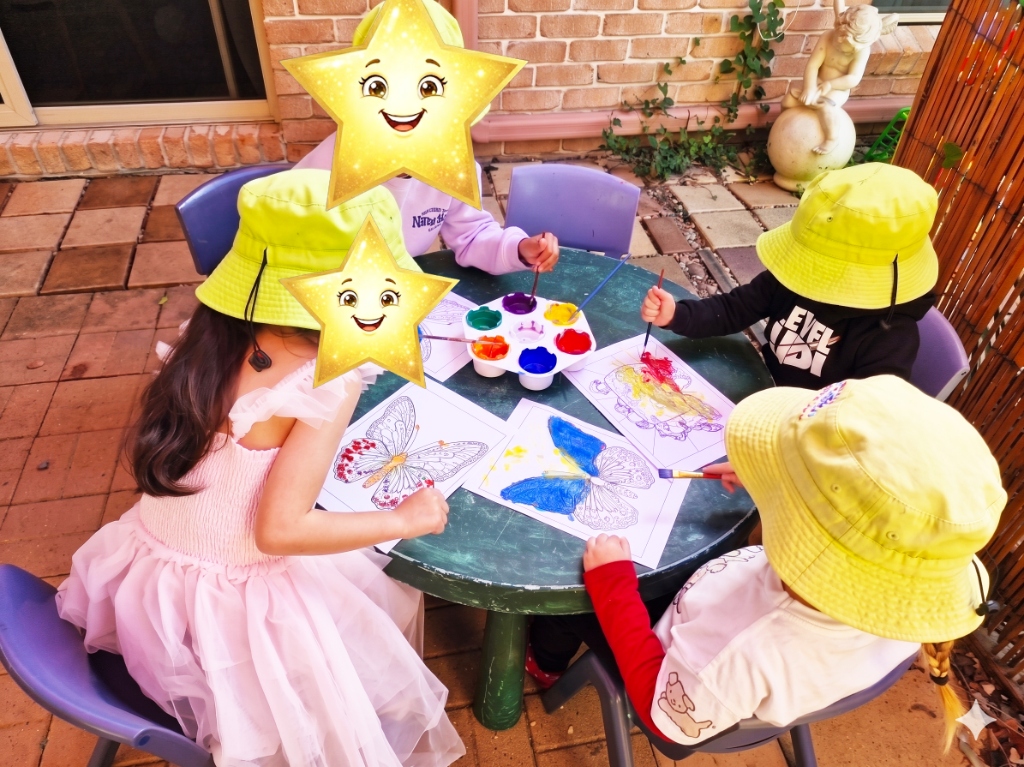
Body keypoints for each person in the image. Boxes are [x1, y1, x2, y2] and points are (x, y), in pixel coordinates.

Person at [56, 168, 465, 767]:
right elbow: (280, 532)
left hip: (151, 587)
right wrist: (405, 518)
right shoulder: (329, 376)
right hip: (233, 617)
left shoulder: (207, 336)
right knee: (365, 609)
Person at [530, 376, 1006, 752]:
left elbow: (667, 722)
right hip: (734, 641)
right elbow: (857, 525)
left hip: (669, 680)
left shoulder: (741, 651)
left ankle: (545, 665)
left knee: (562, 597)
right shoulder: (903, 601)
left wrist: (612, 586)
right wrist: (769, 478)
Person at [294, 0, 559, 276]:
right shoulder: (326, 167)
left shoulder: (451, 164)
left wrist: (519, 249)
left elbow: (472, 234)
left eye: (429, 87)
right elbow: (289, 238)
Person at [640, 163, 938, 389]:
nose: (812, 275)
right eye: (814, 261)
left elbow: (860, 425)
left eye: (827, 267)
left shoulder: (889, 338)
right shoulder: (793, 279)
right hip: (761, 389)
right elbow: (734, 309)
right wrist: (677, 314)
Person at [781, 0, 899, 154]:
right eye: (839, 36)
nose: (839, 41)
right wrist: (809, 88)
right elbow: (813, 66)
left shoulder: (862, 51)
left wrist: (830, 85)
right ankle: (783, 127)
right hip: (817, 81)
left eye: (846, 43)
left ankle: (832, 139)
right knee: (788, 101)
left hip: (838, 88)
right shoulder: (828, 36)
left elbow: (853, 79)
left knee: (825, 108)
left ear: (859, 44)